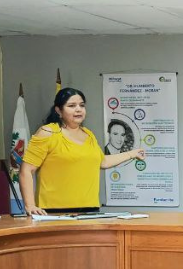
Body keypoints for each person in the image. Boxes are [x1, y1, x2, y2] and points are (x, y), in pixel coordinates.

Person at [20, 87, 146, 215]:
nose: (78, 109)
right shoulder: (48, 132)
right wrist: (30, 205)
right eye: (71, 105)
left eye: (82, 105)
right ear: (59, 110)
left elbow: (103, 161)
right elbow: (26, 170)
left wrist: (132, 154)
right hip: (54, 212)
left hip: (90, 210)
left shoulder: (88, 134)